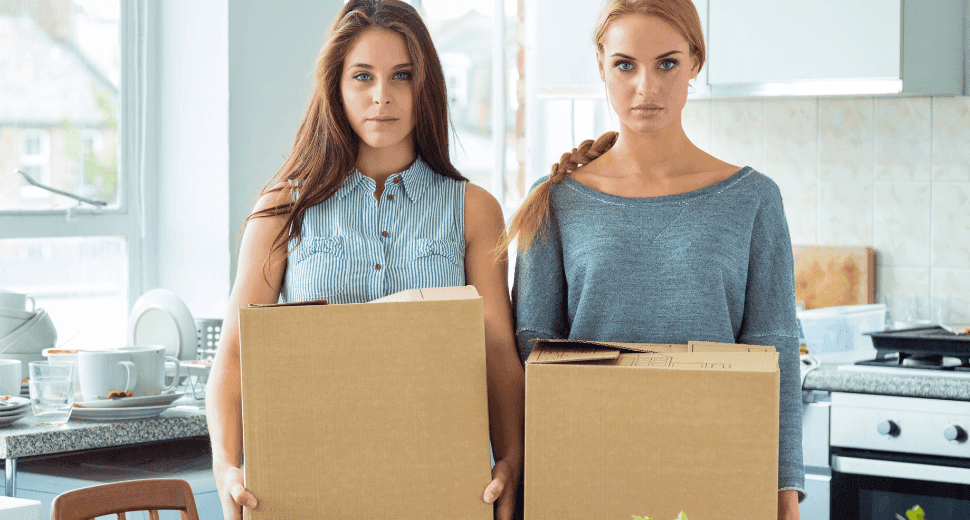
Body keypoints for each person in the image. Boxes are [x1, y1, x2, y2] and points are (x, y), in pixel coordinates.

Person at [206, 1, 524, 519]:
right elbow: (236, 354)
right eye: (362, 76)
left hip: (439, 481)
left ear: (426, 86)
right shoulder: (283, 207)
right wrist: (226, 466)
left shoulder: (475, 210)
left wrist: (512, 459)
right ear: (336, 86)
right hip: (308, 482)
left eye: (402, 75)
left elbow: (497, 354)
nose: (382, 97)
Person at [502, 0, 803, 518]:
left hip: (718, 472)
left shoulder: (753, 200)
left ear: (695, 62)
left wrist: (785, 494)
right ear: (601, 66)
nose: (647, 87)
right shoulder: (553, 201)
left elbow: (777, 354)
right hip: (583, 476)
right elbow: (531, 361)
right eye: (625, 65)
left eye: (667, 63)